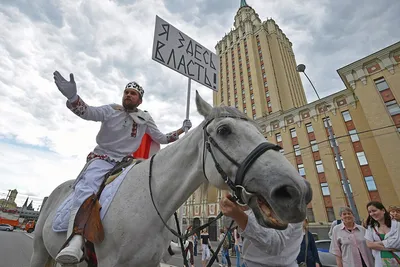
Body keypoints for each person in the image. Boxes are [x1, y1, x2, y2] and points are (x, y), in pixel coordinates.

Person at [52, 71, 192, 265]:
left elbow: (161, 138)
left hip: (126, 163)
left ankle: (164, 243)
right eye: (126, 92)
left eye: (133, 93)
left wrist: (181, 130)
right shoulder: (111, 110)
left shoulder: (145, 118)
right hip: (101, 159)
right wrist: (73, 97)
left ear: (140, 100)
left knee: (150, 189)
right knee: (87, 188)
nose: (128, 95)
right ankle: (76, 240)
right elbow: (88, 112)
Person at [219, 193, 304, 267]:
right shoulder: (257, 201)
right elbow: (228, 224)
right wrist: (231, 207)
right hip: (247, 263)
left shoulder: (292, 205)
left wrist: (239, 215)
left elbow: (274, 244)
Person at [364, 201, 400, 267]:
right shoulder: (370, 228)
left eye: (374, 211)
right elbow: (369, 245)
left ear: (383, 210)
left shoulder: (397, 225)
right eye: (370, 212)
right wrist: (391, 248)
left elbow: (398, 242)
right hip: (380, 262)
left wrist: (377, 244)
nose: (372, 214)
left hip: (397, 259)